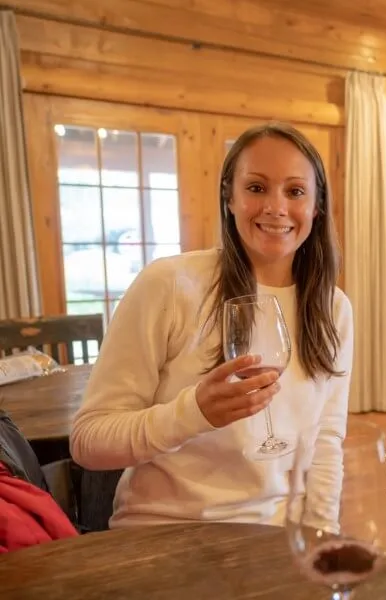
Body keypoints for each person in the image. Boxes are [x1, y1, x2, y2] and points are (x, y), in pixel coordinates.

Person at [70, 122, 353, 531]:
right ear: (230, 197)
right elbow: (88, 442)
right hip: (162, 528)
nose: (276, 207)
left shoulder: (334, 309)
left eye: (295, 191)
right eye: (256, 188)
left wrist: (320, 537)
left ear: (317, 206)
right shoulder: (168, 285)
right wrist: (193, 414)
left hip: (276, 535)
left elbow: (326, 441)